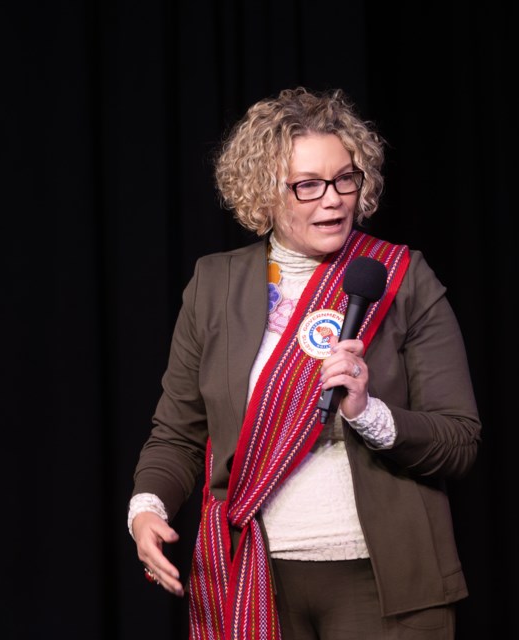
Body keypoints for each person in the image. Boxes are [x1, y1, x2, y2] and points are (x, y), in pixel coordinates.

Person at [128, 87, 481, 639]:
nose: (335, 199)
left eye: (346, 178)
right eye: (308, 185)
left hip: (387, 584)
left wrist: (369, 412)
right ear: (265, 192)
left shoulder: (402, 276)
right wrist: (147, 509)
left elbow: (459, 442)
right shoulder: (214, 284)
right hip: (255, 577)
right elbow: (177, 432)